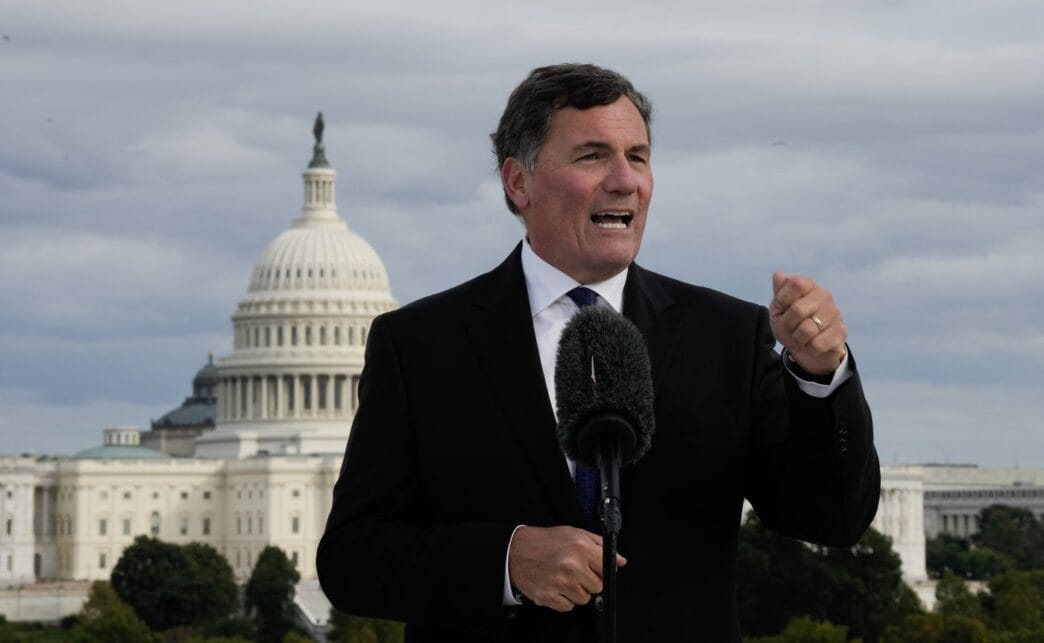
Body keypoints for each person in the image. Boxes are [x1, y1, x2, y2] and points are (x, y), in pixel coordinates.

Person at [317, 63, 880, 642]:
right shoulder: (420, 345)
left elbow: (831, 519)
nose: (624, 180)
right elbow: (350, 559)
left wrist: (820, 377)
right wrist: (507, 560)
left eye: (638, 157)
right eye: (592, 156)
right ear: (518, 183)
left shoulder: (729, 335)